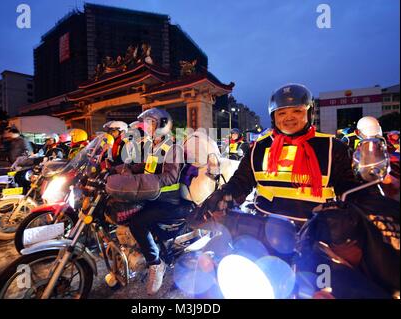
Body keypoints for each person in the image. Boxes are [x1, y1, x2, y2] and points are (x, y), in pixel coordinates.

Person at [200, 83, 398, 298]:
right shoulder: (259, 147)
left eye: (297, 111)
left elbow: (352, 191)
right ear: (274, 116)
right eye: (282, 112)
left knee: (334, 290)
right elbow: (241, 182)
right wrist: (219, 198)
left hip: (315, 237)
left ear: (309, 113)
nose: (289, 117)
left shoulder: (333, 147)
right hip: (264, 232)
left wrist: (370, 204)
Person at [106, 108, 186, 295]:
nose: (147, 127)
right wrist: (117, 169)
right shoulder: (153, 146)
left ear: (163, 125)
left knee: (137, 223)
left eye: (151, 123)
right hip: (151, 195)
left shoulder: (174, 148)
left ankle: (156, 264)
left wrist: (144, 183)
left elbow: (170, 178)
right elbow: (139, 167)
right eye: (147, 124)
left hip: (167, 200)